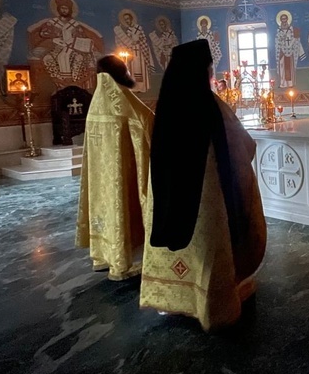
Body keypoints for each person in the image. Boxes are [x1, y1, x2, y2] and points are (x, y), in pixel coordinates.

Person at [140, 39, 267, 332]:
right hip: (206, 205)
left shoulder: (165, 106)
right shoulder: (212, 106)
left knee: (173, 241)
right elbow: (243, 146)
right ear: (203, 71)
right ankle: (213, 306)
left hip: (168, 200)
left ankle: (170, 299)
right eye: (209, 68)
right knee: (209, 250)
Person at [75, 54, 154, 280]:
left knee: (103, 206)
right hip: (120, 171)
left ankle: (102, 257)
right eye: (125, 69)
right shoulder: (122, 98)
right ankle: (120, 265)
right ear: (120, 72)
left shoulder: (98, 99)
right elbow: (147, 121)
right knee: (120, 204)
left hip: (100, 175)